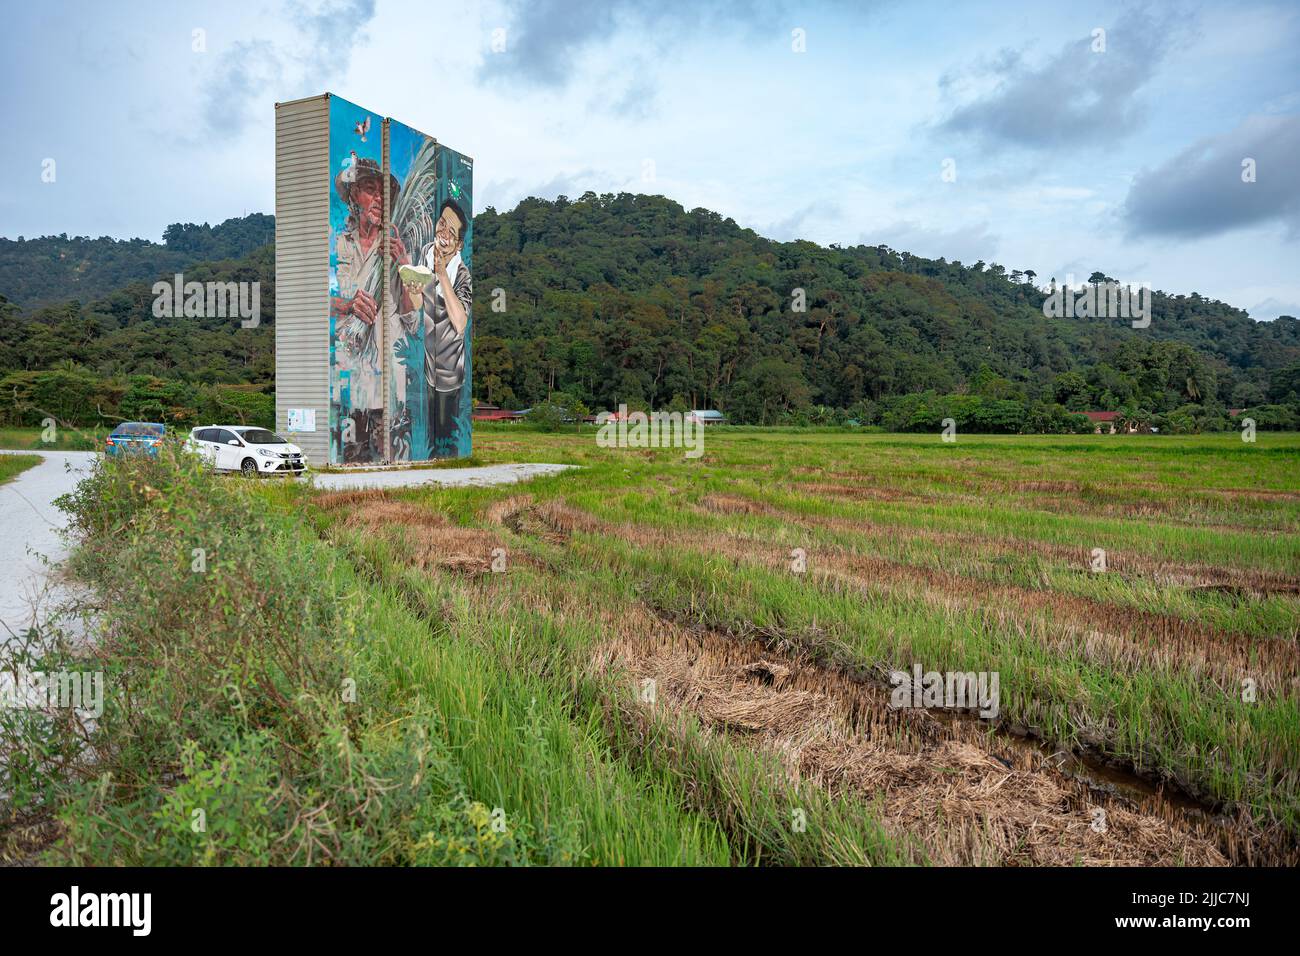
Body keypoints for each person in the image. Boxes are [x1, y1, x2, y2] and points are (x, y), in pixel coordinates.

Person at [330, 155, 409, 462]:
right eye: (368, 188)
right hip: (348, 376)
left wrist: (402, 266)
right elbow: (317, 300)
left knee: (387, 461)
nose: (378, 197)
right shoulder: (337, 245)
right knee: (349, 461)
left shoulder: (397, 248)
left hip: (386, 379)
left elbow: (413, 315)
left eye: (382, 192)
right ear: (353, 196)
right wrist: (347, 306)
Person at [399, 198, 471, 456]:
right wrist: (414, 289)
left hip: (451, 374)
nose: (443, 233)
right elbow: (420, 304)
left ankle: (451, 472)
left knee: (447, 437)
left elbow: (461, 323)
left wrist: (441, 274)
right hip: (430, 365)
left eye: (451, 232)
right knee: (430, 435)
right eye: (442, 224)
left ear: (458, 244)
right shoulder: (427, 253)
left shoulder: (461, 275)